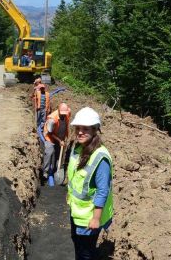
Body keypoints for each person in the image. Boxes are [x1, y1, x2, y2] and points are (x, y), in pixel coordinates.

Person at [66, 107, 113, 260]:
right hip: (76, 211)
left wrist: (96, 218)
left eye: (85, 129)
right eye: (77, 128)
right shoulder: (78, 147)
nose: (80, 132)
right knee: (77, 243)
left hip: (89, 216)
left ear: (95, 130)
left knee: (86, 252)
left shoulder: (100, 157)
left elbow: (102, 190)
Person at [42, 103, 71, 180]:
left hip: (60, 137)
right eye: (62, 114)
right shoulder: (52, 119)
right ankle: (45, 172)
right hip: (50, 137)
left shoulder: (67, 113)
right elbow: (50, 133)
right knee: (49, 152)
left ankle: (56, 170)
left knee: (58, 154)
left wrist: (66, 137)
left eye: (65, 114)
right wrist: (59, 140)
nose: (64, 116)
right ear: (58, 111)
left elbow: (67, 124)